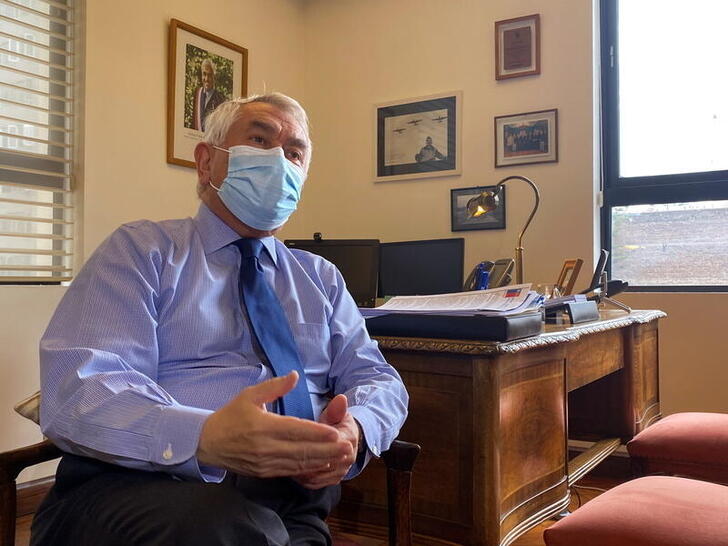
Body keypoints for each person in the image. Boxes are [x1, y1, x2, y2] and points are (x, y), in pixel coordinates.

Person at [32, 93, 409, 546]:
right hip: (142, 486)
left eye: (294, 153)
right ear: (206, 162)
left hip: (293, 501)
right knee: (240, 532)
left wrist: (358, 428)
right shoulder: (142, 251)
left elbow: (379, 378)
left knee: (268, 532)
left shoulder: (320, 278)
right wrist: (203, 436)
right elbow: (78, 387)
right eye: (259, 140)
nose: (279, 162)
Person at [192, 58, 226, 131]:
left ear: (214, 77)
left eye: (210, 75)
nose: (206, 79)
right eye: (204, 74)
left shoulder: (220, 99)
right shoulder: (197, 93)